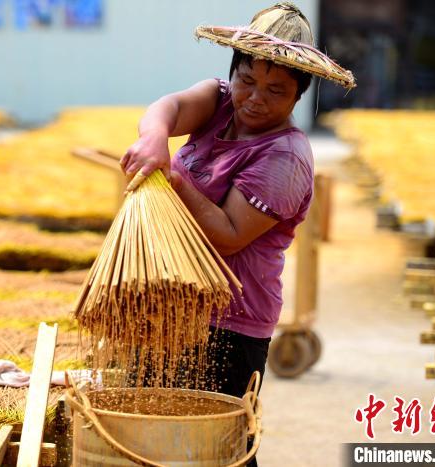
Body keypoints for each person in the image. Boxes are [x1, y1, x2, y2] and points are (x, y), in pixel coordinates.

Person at [120, 1, 354, 410]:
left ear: (300, 93)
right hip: (169, 303)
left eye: (276, 89)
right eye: (247, 80)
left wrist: (175, 181)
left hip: (228, 326)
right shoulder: (219, 100)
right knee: (153, 432)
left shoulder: (285, 157)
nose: (255, 99)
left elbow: (228, 235)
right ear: (235, 70)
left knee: (217, 444)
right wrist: (155, 137)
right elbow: (167, 109)